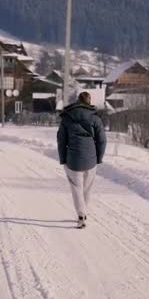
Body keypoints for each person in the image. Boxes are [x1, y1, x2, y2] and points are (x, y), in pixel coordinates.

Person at [57, 92, 107, 229]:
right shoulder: (95, 118)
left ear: (77, 101)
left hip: (72, 159)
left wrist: (63, 159)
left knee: (76, 188)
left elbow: (61, 140)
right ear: (89, 102)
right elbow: (102, 140)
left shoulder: (67, 117)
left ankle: (81, 216)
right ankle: (84, 213)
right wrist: (99, 157)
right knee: (86, 189)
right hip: (91, 159)